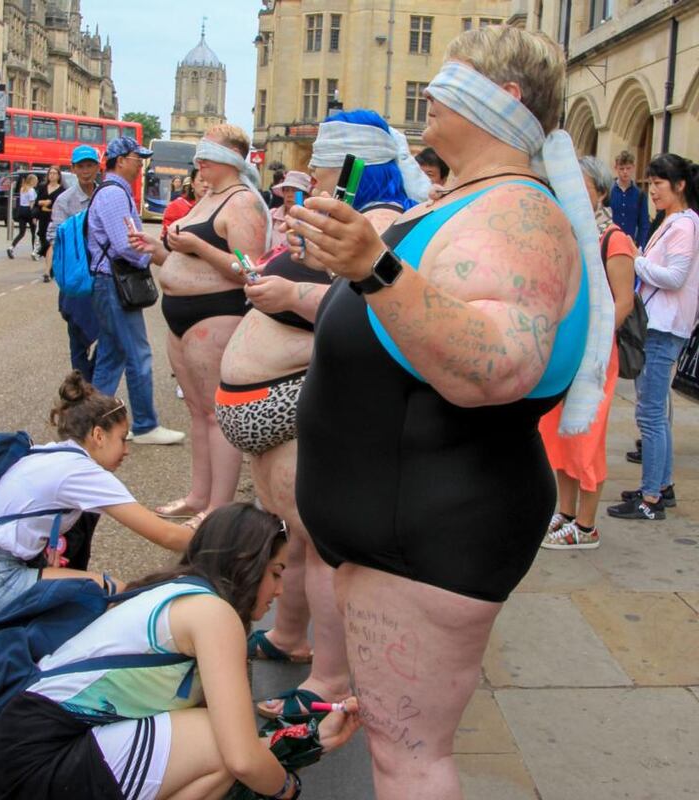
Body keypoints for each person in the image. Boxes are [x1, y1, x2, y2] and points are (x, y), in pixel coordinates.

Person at [287, 26, 614, 799]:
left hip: (430, 529)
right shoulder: (467, 198)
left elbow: (498, 364)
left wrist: (373, 266)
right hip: (397, 527)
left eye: (448, 79)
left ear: (502, 100)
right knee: (400, 751)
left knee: (411, 760)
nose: (428, 93)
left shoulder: (520, 215)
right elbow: (399, 314)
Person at [228, 109, 427, 721]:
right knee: (294, 537)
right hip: (274, 406)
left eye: (321, 160)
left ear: (354, 167)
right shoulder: (348, 218)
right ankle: (290, 638)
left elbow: (376, 312)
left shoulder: (384, 225)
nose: (309, 170)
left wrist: (290, 293)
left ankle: (329, 678)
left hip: (305, 399)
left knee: (313, 541)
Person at [0, 503, 360, 800]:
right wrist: (287, 789)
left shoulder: (178, 592)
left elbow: (239, 749)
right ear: (246, 564)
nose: (279, 591)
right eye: (275, 573)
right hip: (36, 762)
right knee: (218, 746)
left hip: (22, 753)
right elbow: (240, 756)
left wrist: (310, 738)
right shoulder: (212, 614)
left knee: (219, 745)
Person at [0, 371, 194, 616]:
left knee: (79, 584)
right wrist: (224, 539)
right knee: (110, 591)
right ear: (98, 435)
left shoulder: (50, 452)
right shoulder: (82, 472)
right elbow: (166, 534)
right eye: (122, 438)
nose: (126, 450)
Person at [135, 124, 268, 527]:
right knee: (196, 410)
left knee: (216, 412)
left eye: (206, 155)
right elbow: (186, 258)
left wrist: (198, 246)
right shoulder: (207, 198)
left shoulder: (242, 202)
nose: (199, 163)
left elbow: (251, 270)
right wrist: (158, 252)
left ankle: (219, 507)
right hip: (181, 315)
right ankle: (199, 495)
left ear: (228, 157)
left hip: (216, 313)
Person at [540, 156, 635, 549]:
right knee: (558, 434)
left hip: (593, 357)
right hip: (563, 350)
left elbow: (624, 302)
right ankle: (564, 511)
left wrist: (592, 340)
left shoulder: (613, 239)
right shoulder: (566, 234)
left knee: (587, 436)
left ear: (598, 190)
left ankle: (586, 525)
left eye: (582, 186)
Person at [607, 153, 699, 521]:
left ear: (679, 186)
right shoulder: (678, 221)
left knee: (650, 414)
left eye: (659, 184)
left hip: (662, 328)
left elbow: (674, 276)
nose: (653, 191)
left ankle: (651, 499)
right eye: (652, 184)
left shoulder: (683, 226)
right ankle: (660, 486)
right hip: (660, 325)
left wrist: (634, 257)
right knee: (656, 413)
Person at [88, 136, 185, 446]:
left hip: (106, 282)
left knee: (111, 355)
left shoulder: (112, 191)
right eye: (136, 157)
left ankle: (93, 422)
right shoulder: (115, 194)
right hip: (116, 282)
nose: (140, 163)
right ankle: (144, 424)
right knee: (138, 354)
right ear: (120, 161)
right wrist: (151, 258)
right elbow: (125, 244)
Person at [47, 146, 103, 382]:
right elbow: (53, 234)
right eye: (81, 166)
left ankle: (93, 382)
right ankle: (83, 386)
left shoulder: (105, 194)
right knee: (77, 336)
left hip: (101, 273)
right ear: (73, 169)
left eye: (90, 165)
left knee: (108, 333)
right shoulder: (65, 200)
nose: (86, 171)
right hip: (76, 275)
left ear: (98, 167)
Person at [610, 150, 650, 249]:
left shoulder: (640, 195)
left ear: (633, 167)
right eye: (621, 168)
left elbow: (644, 224)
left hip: (630, 245)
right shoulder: (608, 192)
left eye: (628, 168)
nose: (625, 172)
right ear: (616, 168)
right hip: (610, 242)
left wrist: (641, 246)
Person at [159, 167, 208, 239]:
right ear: (192, 183)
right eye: (201, 180)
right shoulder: (177, 206)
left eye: (210, 181)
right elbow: (167, 236)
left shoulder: (221, 207)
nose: (206, 185)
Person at [269, 170, 312, 249]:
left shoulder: (311, 220)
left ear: (305, 196)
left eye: (295, 191)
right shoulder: (272, 215)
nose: (289, 195)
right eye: (286, 190)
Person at [36, 165, 66, 277]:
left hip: (54, 219)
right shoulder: (43, 187)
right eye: (50, 173)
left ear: (59, 176)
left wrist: (49, 204)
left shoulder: (62, 190)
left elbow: (60, 205)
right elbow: (37, 202)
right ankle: (51, 265)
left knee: (50, 244)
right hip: (43, 218)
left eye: (54, 173)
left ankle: (47, 271)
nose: (52, 175)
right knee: (44, 241)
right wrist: (45, 202)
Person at [7, 173, 38, 260]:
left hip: (21, 210)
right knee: (33, 232)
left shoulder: (22, 188)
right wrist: (34, 216)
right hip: (28, 211)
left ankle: (11, 248)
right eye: (36, 181)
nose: (36, 183)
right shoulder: (31, 190)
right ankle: (34, 252)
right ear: (32, 181)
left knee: (21, 233)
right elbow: (32, 203)